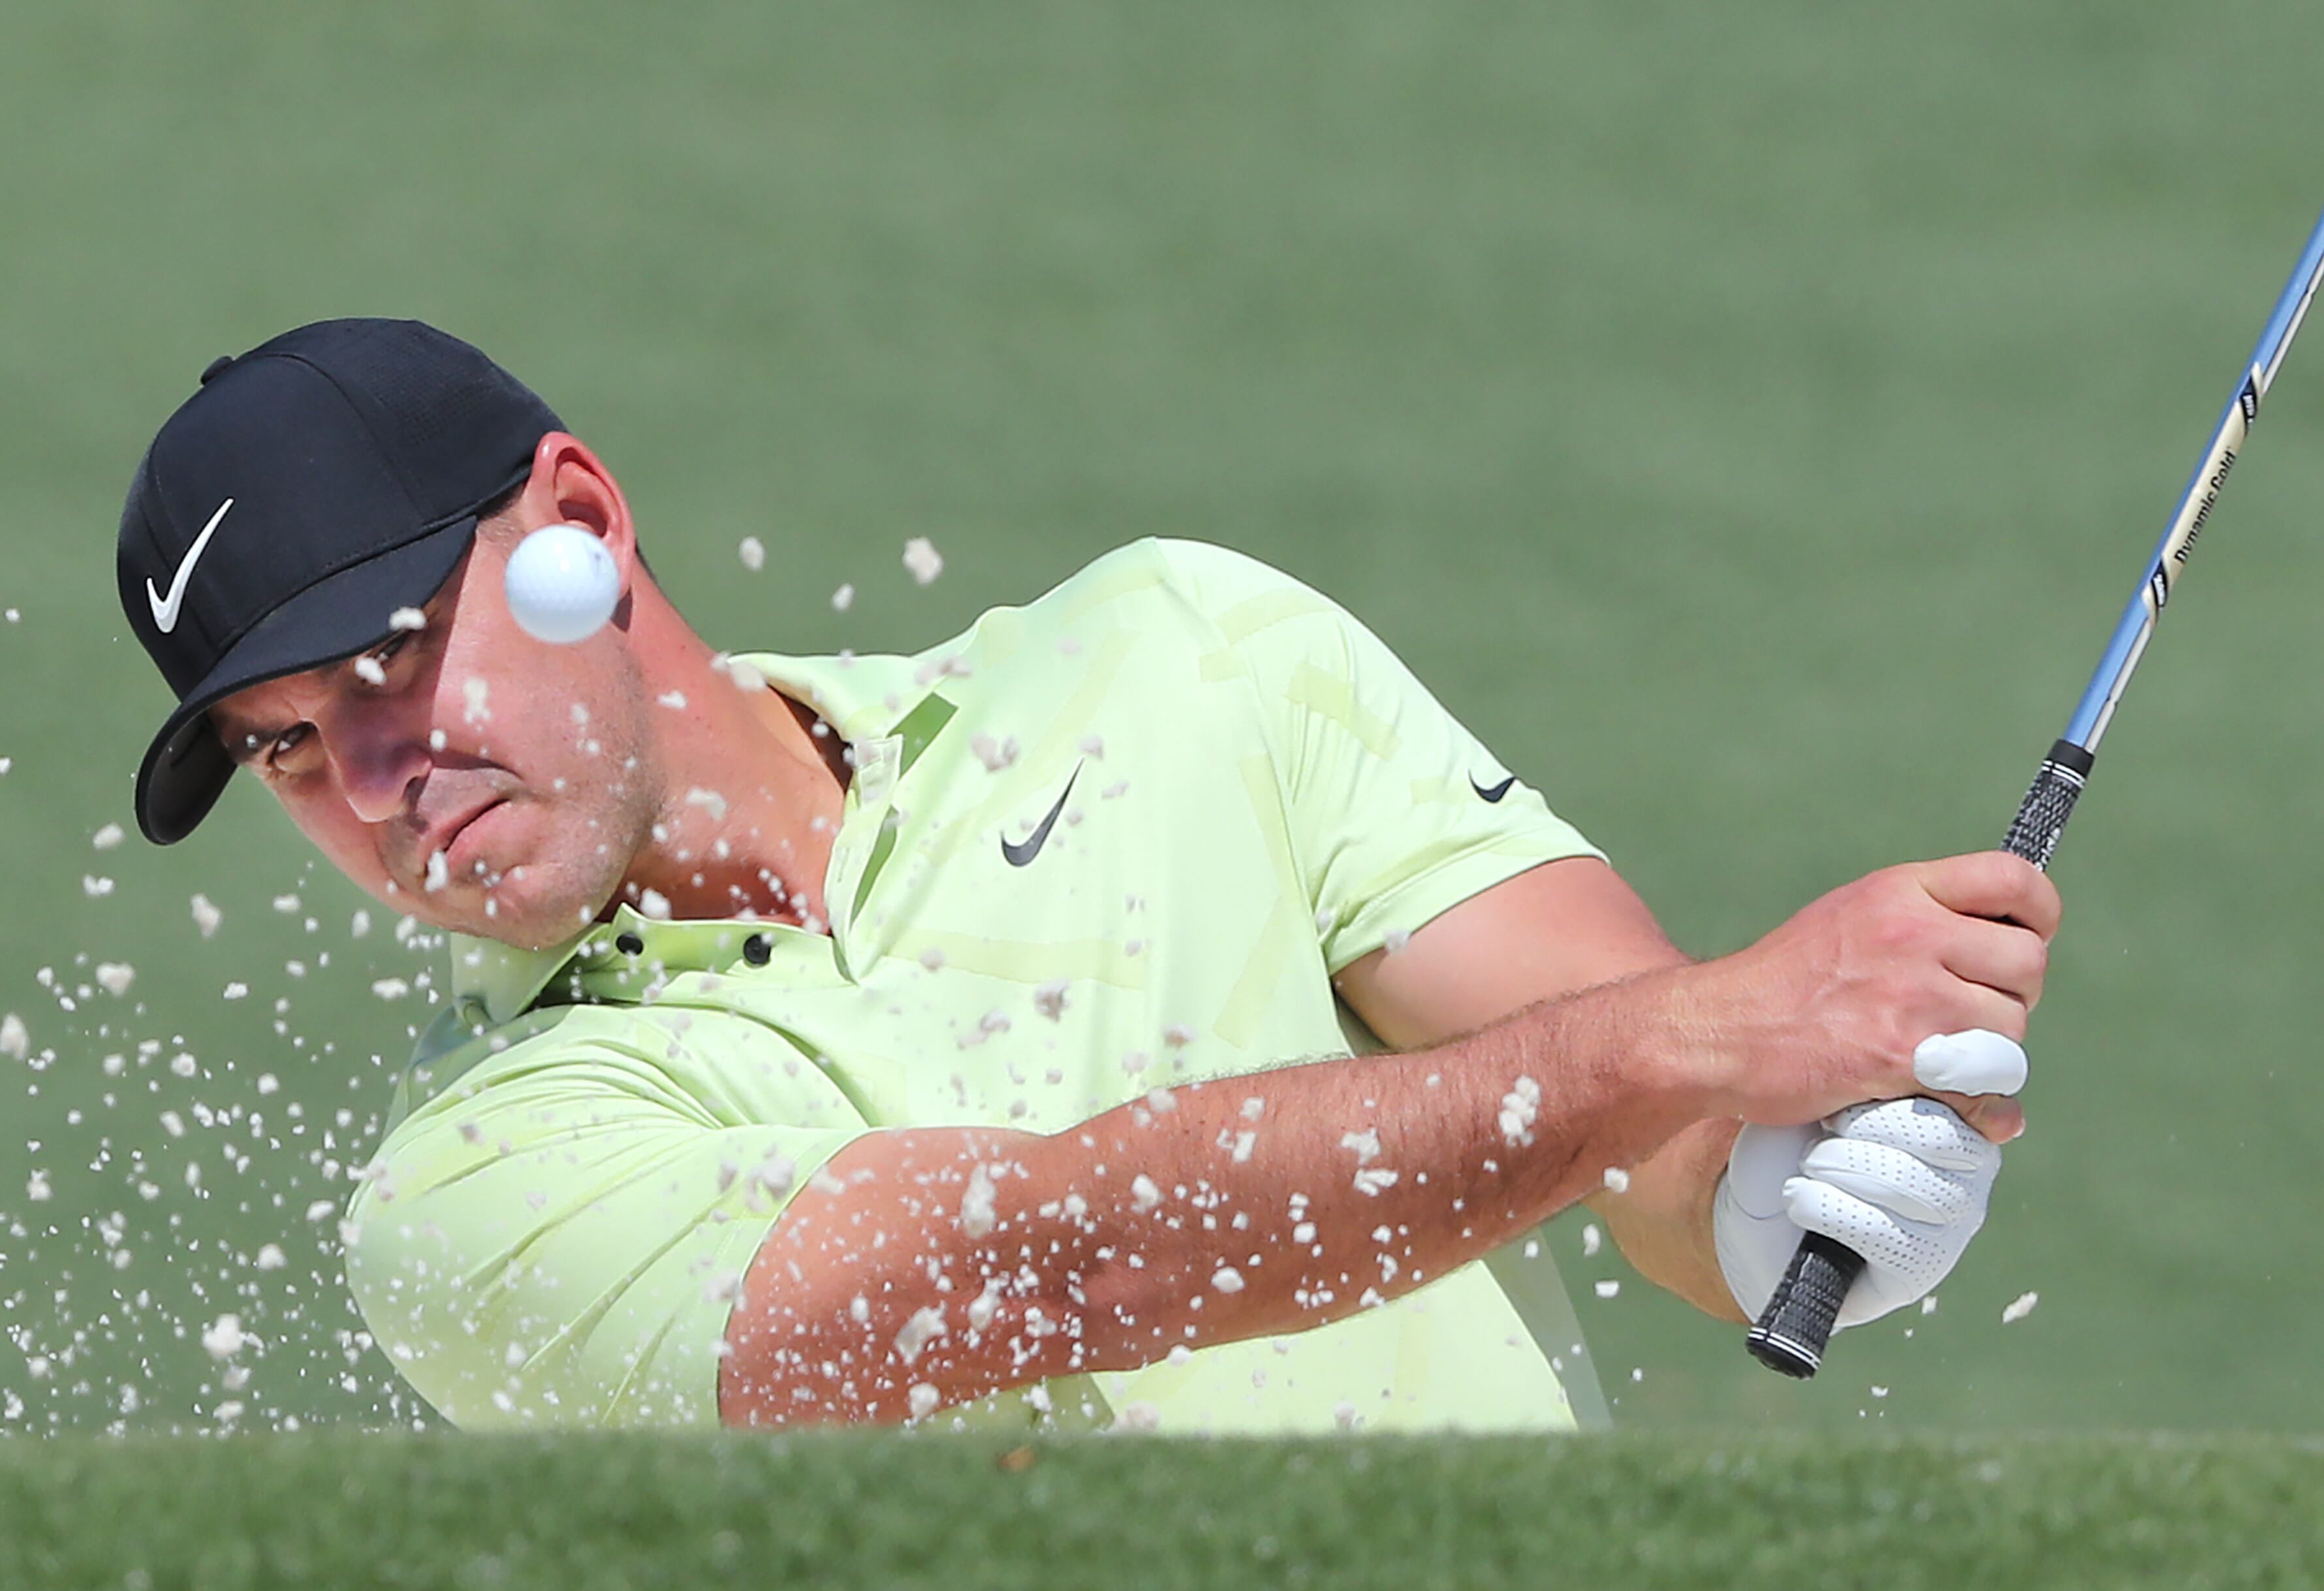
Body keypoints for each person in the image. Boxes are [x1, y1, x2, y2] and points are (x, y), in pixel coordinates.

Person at [118, 319, 2054, 1436]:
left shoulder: (1179, 654)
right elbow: (1061, 1260)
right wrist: (1711, 1036)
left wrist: (1785, 1185)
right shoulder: (474, 1189)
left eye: (390, 653)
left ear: (582, 524)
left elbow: (1653, 1149)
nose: (370, 778)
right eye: (287, 743)